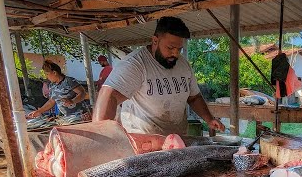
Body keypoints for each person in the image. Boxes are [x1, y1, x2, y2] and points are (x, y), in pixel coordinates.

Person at [93, 16, 225, 135]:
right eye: (170, 47)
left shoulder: (183, 64)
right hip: (144, 143)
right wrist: (102, 135)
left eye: (179, 49)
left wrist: (209, 118)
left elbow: (194, 97)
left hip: (177, 140)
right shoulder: (135, 65)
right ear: (155, 41)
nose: (175, 54)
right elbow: (108, 95)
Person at [26, 60, 90, 119]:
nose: (46, 77)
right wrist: (39, 111)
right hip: (68, 118)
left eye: (47, 74)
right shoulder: (52, 85)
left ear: (54, 72)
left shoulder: (69, 81)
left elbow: (82, 93)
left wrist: (72, 101)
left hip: (81, 115)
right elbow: (51, 101)